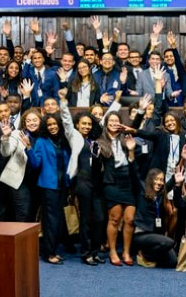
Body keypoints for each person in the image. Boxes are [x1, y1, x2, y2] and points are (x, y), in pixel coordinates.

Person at [60, 90, 111, 265]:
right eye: (84, 124)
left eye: (89, 124)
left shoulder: (94, 140)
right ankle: (86, 253)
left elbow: (103, 122)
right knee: (86, 220)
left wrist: (116, 102)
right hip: (82, 183)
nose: (87, 127)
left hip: (97, 183)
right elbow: (66, 122)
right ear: (78, 125)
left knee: (99, 218)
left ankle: (95, 251)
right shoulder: (75, 138)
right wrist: (63, 102)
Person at [25, 113, 71, 265]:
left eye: (54, 124)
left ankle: (54, 249)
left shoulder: (64, 141)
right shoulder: (41, 141)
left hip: (62, 185)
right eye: (49, 125)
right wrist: (29, 148)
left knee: (57, 220)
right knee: (50, 220)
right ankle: (49, 253)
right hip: (47, 186)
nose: (52, 127)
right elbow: (36, 163)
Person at [97, 109, 138, 266]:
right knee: (114, 218)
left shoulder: (126, 139)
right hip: (111, 183)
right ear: (106, 124)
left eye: (116, 121)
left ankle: (126, 252)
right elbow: (106, 157)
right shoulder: (101, 141)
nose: (113, 123)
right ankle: (113, 251)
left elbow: (132, 163)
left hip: (128, 184)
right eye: (110, 121)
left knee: (130, 219)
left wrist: (131, 149)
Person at [131, 169, 178, 268]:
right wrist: (131, 159)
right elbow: (134, 174)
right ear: (150, 179)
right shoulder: (142, 188)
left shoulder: (159, 194)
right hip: (141, 234)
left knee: (173, 261)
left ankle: (152, 257)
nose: (159, 182)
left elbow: (167, 186)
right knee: (169, 242)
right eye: (156, 179)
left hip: (154, 235)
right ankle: (144, 255)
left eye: (161, 180)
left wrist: (174, 179)